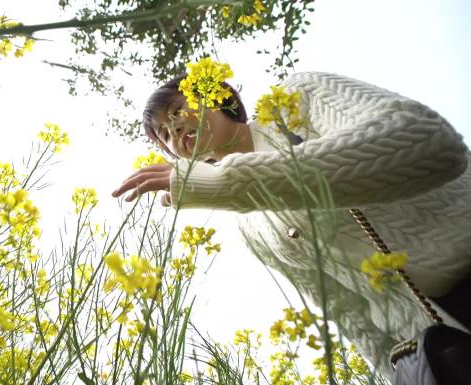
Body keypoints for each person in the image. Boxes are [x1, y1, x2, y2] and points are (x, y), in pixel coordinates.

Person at [111, 71, 471, 377]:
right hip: (440, 343)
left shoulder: (292, 102)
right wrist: (396, 372)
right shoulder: (249, 224)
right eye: (163, 135)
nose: (173, 128)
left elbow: (429, 140)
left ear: (215, 95)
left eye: (177, 110)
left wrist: (229, 183)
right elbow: (346, 308)